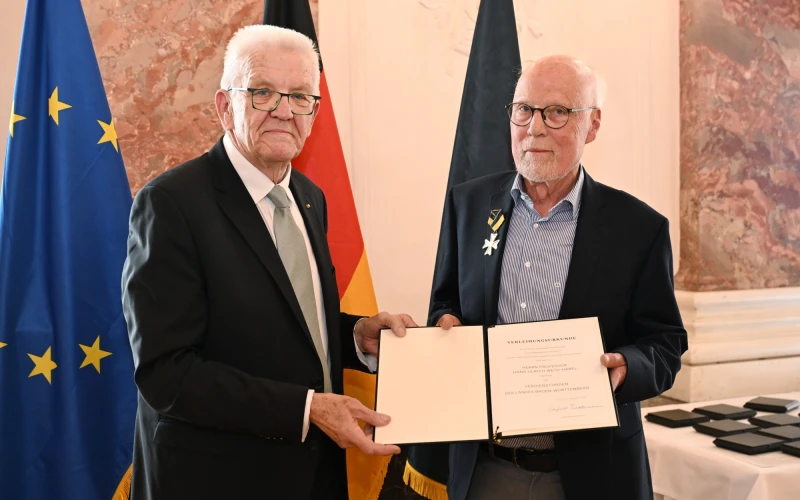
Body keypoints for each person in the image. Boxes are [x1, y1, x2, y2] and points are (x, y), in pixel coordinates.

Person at [121, 25, 415, 500]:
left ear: (314, 111)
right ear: (224, 106)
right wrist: (306, 409)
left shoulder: (310, 198)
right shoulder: (171, 203)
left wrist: (354, 334)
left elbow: (289, 324)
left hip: (315, 477)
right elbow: (166, 373)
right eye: (262, 92)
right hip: (217, 480)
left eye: (300, 96)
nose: (283, 110)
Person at [429, 55, 687, 500]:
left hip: (593, 475)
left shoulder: (638, 229)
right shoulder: (468, 205)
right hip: (485, 469)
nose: (535, 128)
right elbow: (445, 302)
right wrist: (445, 324)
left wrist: (627, 368)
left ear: (593, 125)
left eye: (557, 112)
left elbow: (665, 344)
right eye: (524, 110)